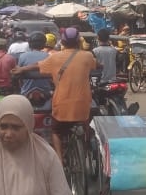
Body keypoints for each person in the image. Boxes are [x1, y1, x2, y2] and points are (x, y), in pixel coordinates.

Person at [14, 26, 98, 157]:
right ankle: (88, 145)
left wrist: (22, 69)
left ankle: (59, 159)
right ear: (78, 42)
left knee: (56, 131)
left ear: (63, 42)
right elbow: (96, 65)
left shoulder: (54, 58)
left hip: (62, 106)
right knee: (88, 123)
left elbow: (38, 66)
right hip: (83, 106)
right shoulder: (87, 56)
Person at [17, 32, 53, 99]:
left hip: (26, 91)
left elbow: (19, 76)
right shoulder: (48, 56)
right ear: (43, 44)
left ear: (30, 43)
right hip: (46, 92)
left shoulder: (23, 56)